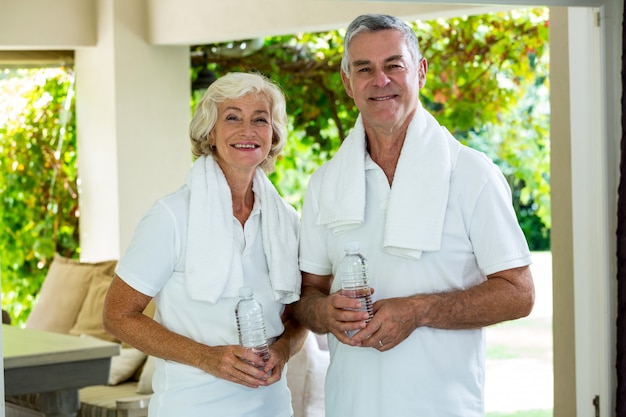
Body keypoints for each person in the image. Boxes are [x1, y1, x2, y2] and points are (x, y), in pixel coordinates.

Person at [294, 14, 535, 417]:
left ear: (420, 71)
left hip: (444, 406)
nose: (380, 80)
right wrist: (320, 311)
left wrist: (421, 310)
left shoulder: (473, 174)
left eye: (394, 65)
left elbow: (519, 293)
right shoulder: (324, 184)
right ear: (346, 81)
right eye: (364, 69)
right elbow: (306, 295)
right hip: (350, 406)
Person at [103, 72, 307, 417]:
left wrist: (284, 349)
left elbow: (295, 316)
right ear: (209, 133)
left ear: (273, 136)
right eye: (232, 118)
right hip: (190, 407)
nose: (248, 131)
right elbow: (117, 316)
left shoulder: (285, 220)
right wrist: (207, 358)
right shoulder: (170, 216)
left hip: (271, 408)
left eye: (260, 119)